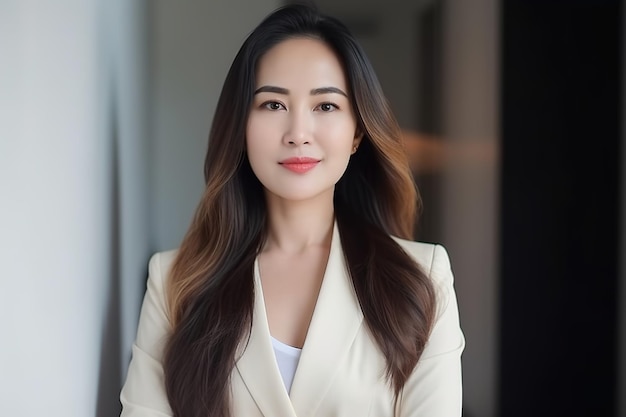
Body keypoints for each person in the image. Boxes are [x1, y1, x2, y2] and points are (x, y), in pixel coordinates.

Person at [119, 4, 464, 416]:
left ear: (357, 132)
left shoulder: (422, 279)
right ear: (241, 126)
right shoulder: (176, 282)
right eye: (273, 105)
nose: (298, 134)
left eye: (326, 106)